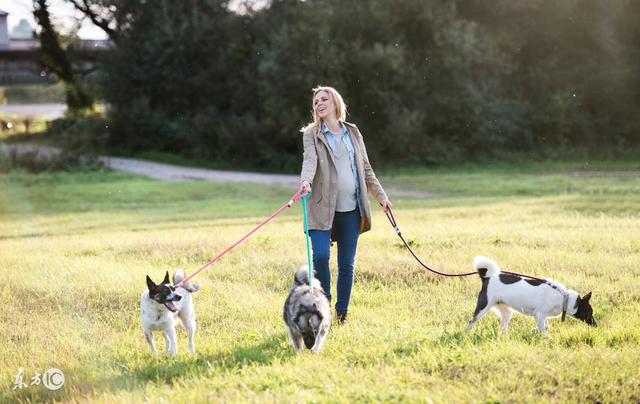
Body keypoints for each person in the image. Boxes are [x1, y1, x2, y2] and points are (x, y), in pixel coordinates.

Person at [298, 86, 392, 324]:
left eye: (324, 99)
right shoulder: (312, 133)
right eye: (316, 101)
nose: (319, 103)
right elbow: (309, 161)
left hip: (351, 209)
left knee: (347, 265)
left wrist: (381, 196)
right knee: (320, 256)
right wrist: (306, 181)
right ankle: (325, 304)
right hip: (321, 208)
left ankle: (342, 313)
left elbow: (366, 169)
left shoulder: (353, 132)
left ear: (335, 102)